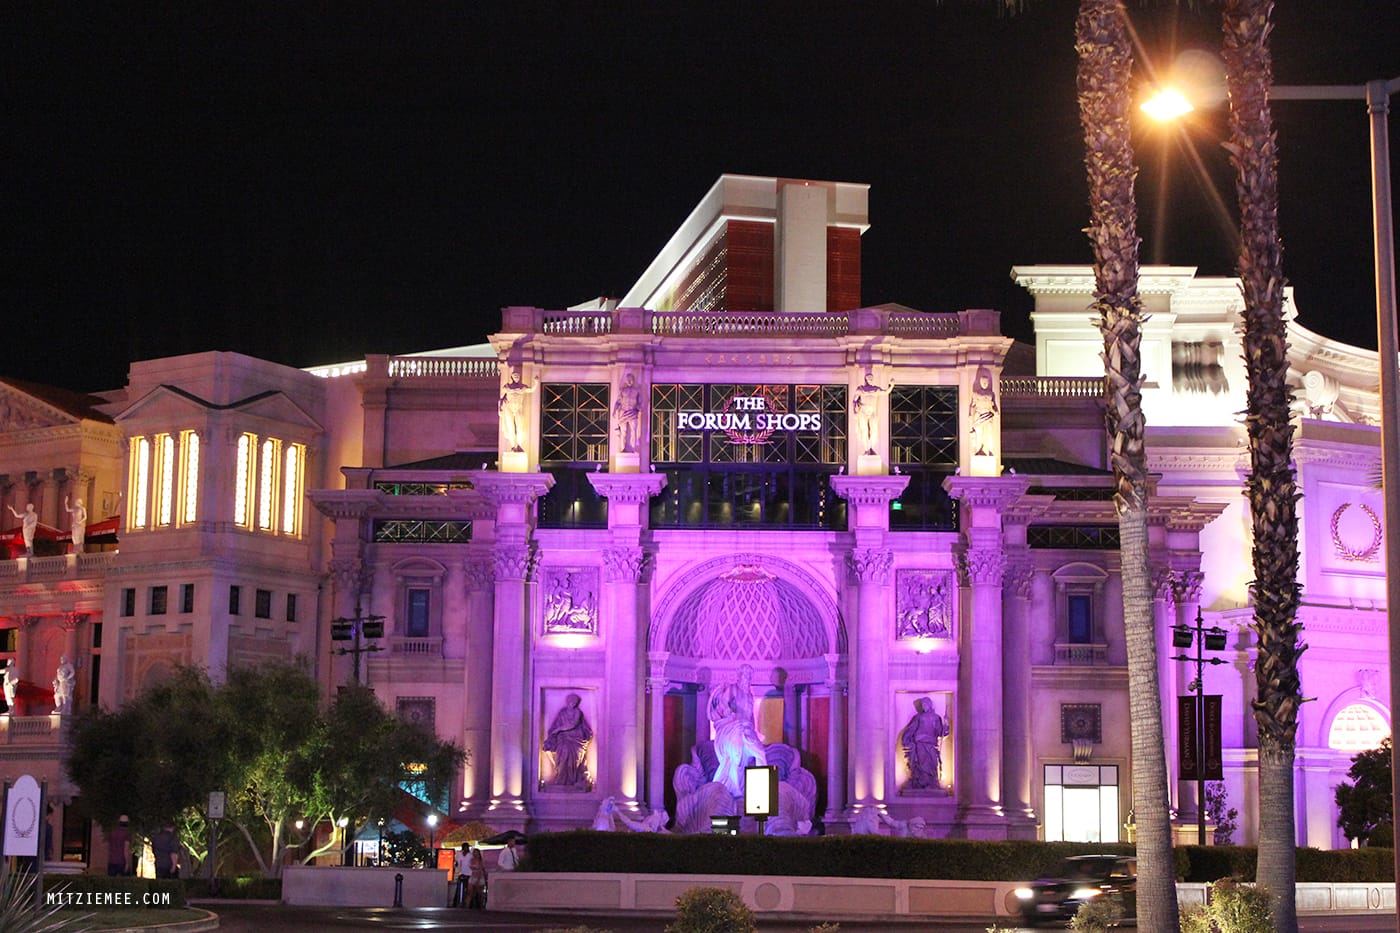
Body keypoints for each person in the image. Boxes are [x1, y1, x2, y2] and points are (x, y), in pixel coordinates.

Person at [708, 665, 767, 797]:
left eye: (749, 675)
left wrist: (753, 730)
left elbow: (751, 715)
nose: (748, 677)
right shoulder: (733, 689)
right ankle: (735, 791)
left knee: (760, 753)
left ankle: (761, 790)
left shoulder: (750, 694)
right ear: (739, 676)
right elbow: (723, 703)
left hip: (747, 729)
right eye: (745, 675)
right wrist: (730, 712)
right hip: (734, 727)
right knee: (737, 759)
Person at [542, 694, 593, 787]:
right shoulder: (562, 712)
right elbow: (556, 724)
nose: (573, 703)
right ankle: (561, 778)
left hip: (576, 739)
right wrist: (555, 732)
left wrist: (559, 729)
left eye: (575, 702)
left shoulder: (577, 712)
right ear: (568, 701)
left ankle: (572, 779)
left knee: (575, 760)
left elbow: (573, 724)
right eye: (571, 701)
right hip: (563, 739)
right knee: (562, 757)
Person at [900, 697, 948, 790]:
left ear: (930, 705)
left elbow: (940, 732)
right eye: (922, 705)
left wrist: (946, 726)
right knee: (921, 763)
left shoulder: (936, 717)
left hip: (931, 744)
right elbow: (911, 729)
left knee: (932, 763)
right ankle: (921, 783)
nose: (924, 706)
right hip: (920, 743)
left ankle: (931, 783)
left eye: (925, 704)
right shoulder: (919, 717)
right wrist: (906, 739)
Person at [498, 369, 537, 453]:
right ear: (512, 377)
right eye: (515, 376)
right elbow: (501, 398)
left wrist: (536, 383)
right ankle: (513, 446)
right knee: (510, 427)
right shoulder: (507, 387)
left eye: (517, 376)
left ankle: (519, 445)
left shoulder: (522, 387)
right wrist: (499, 409)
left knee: (520, 427)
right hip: (509, 408)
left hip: (518, 407)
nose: (516, 377)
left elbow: (531, 390)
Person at [851, 371, 890, 456]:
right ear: (865, 379)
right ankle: (866, 449)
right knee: (864, 430)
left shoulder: (876, 389)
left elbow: (886, 392)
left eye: (871, 378)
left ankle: (871, 447)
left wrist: (892, 386)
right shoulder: (860, 389)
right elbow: (854, 401)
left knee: (874, 430)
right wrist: (854, 411)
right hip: (863, 412)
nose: (870, 379)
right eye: (869, 378)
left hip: (872, 411)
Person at [968, 365, 999, 456]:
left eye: (986, 382)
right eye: (983, 382)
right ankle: (979, 450)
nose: (985, 384)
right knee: (979, 433)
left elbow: (993, 405)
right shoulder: (976, 393)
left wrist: (995, 411)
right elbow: (972, 405)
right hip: (979, 415)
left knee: (989, 433)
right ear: (980, 383)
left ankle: (988, 449)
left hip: (988, 415)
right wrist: (971, 416)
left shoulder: (991, 394)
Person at [612, 371, 643, 453]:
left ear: (633, 380)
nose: (629, 381)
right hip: (623, 412)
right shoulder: (622, 390)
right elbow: (618, 402)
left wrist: (637, 409)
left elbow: (640, 403)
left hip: (633, 412)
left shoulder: (637, 391)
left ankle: (633, 448)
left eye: (631, 379)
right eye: (628, 379)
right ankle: (622, 448)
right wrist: (614, 410)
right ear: (626, 380)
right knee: (623, 431)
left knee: (634, 431)